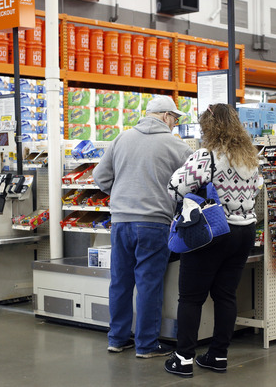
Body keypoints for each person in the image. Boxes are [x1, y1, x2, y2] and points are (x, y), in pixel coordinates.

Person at [164, 103, 263, 377]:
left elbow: (175, 187)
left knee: (191, 298)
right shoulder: (250, 157)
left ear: (209, 127)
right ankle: (218, 355)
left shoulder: (206, 156)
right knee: (225, 295)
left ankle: (183, 358)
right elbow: (258, 189)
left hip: (212, 231)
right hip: (244, 232)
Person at [93, 96, 193, 358]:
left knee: (120, 282)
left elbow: (100, 177)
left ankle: (116, 339)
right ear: (163, 115)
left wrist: (122, 194)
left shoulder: (121, 139)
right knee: (148, 283)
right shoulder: (176, 146)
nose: (175, 123)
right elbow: (196, 179)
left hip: (121, 222)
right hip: (154, 222)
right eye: (174, 117)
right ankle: (146, 345)